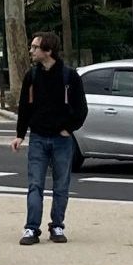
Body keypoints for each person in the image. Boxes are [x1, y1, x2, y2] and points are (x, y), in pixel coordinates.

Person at [10, 32, 86, 246]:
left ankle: (57, 225)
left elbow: (81, 108)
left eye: (35, 47)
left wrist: (68, 129)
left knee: (61, 185)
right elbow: (24, 107)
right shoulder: (32, 76)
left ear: (48, 51)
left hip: (61, 139)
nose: (31, 51)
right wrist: (19, 135)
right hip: (38, 137)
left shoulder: (69, 77)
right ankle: (31, 228)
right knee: (35, 184)